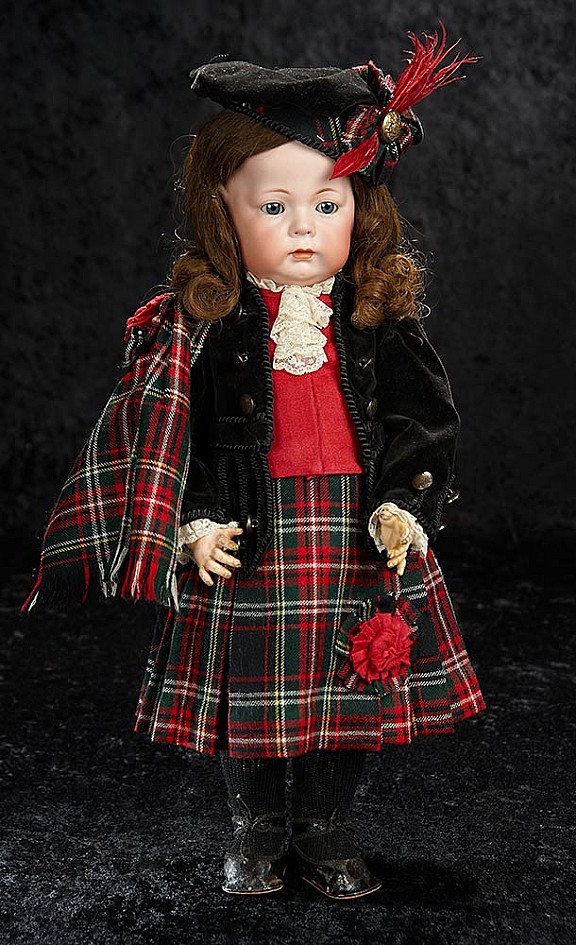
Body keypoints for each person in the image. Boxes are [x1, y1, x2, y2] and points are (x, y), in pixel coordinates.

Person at [23, 26, 485, 900]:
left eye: (328, 205)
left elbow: (427, 422)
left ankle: (326, 825)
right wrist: (195, 521)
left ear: (363, 210)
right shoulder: (209, 326)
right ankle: (258, 828)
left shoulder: (377, 318)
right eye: (273, 207)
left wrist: (405, 504)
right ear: (223, 214)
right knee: (255, 694)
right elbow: (180, 438)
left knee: (348, 688)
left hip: (352, 533)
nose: (303, 226)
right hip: (253, 535)